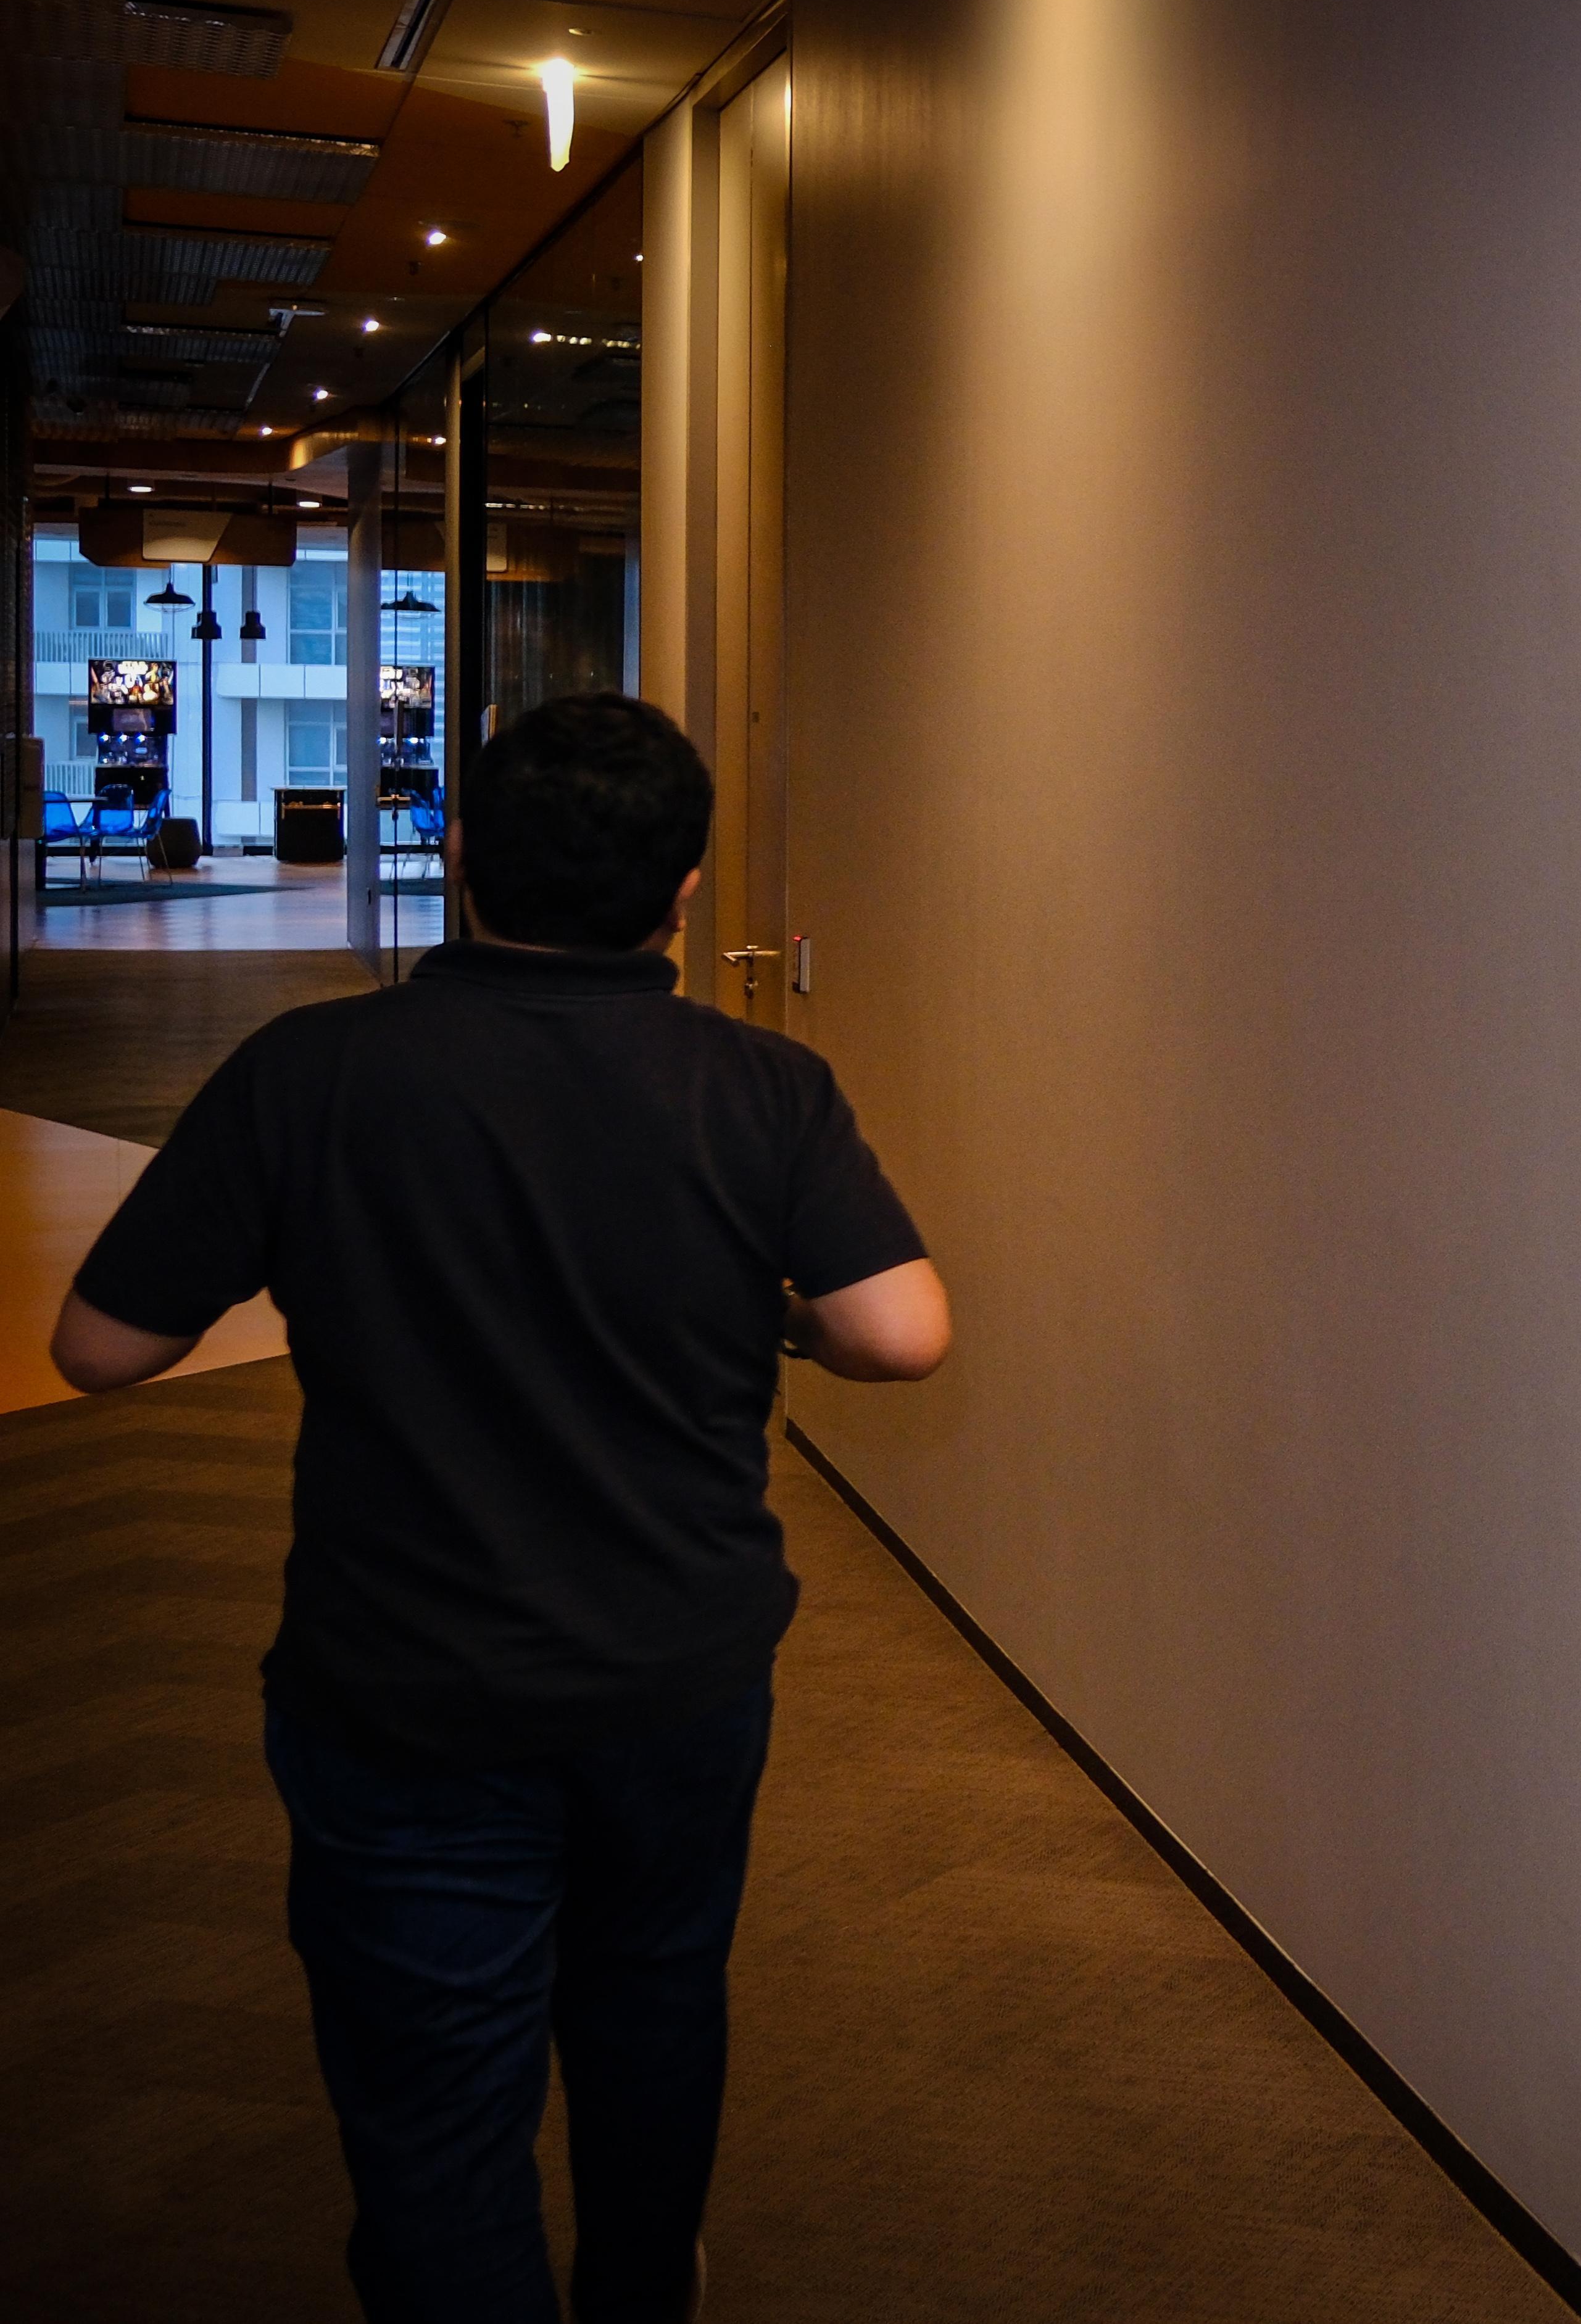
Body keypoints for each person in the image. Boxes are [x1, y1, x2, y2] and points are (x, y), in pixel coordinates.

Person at [50, 692, 951, 2324]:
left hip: (404, 1679)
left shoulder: (312, 1070)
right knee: (653, 1998)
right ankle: (640, 2286)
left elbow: (101, 1350)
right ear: (685, 888)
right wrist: (778, 1316)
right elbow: (900, 1333)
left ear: (459, 855)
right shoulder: (761, 1086)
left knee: (434, 2093)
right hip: (675, 1673)